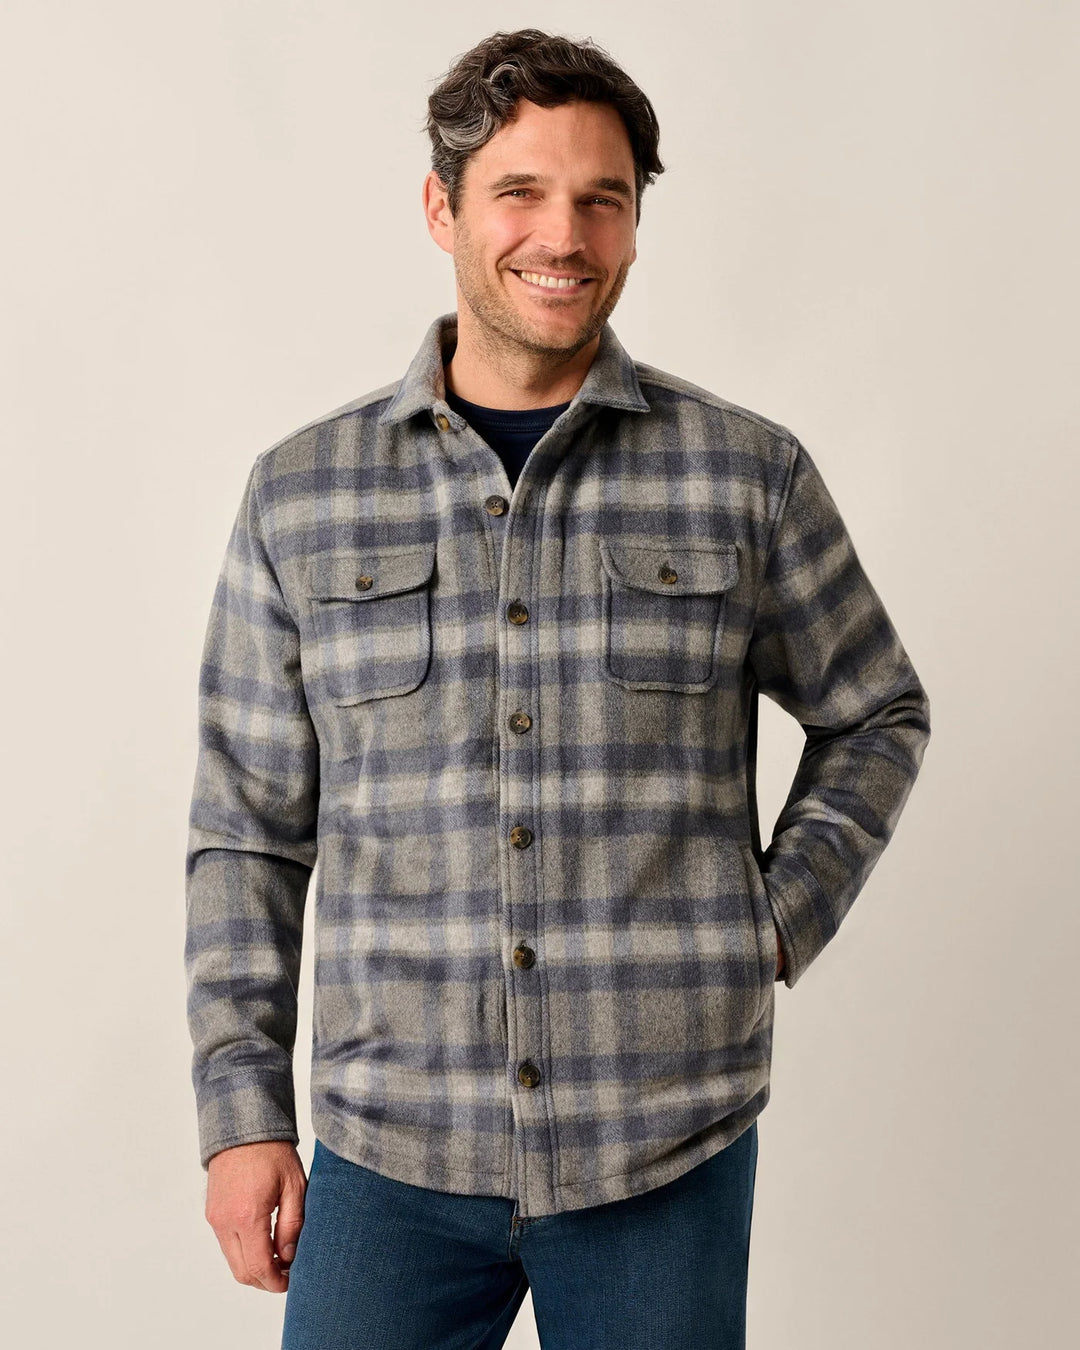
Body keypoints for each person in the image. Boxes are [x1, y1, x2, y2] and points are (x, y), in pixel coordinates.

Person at [184, 27, 931, 1350]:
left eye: (603, 198)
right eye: (521, 192)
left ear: (636, 223)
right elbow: (247, 828)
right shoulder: (302, 494)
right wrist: (243, 1116)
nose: (564, 236)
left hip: (663, 1141)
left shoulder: (746, 477)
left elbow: (874, 710)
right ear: (443, 208)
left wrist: (768, 923)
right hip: (389, 1147)